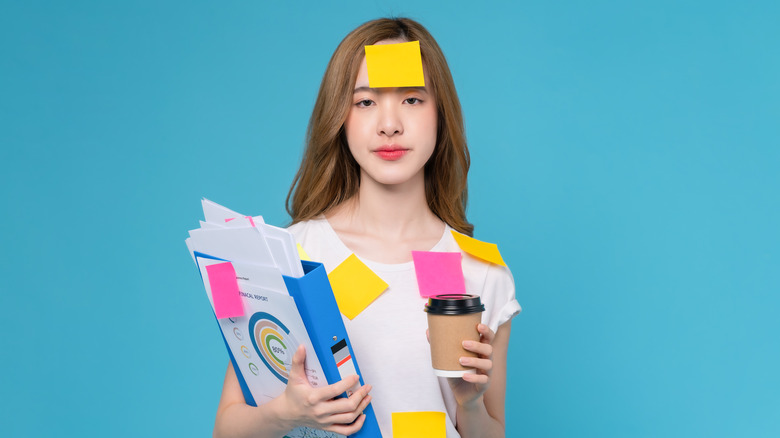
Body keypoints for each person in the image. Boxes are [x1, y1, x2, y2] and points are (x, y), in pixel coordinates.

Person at [214, 17, 521, 438]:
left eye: (412, 100)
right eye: (365, 102)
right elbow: (226, 429)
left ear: (441, 114)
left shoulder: (481, 272)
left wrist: (469, 405)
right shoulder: (292, 254)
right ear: (339, 119)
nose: (389, 124)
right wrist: (286, 412)